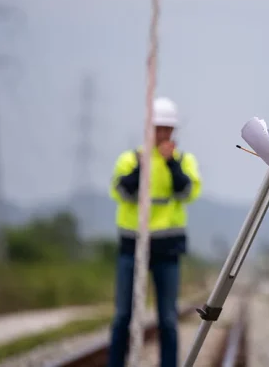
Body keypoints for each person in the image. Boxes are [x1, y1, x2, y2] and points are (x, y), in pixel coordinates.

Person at [107, 97, 202, 367]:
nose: (162, 134)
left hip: (167, 249)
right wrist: (142, 165)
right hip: (132, 246)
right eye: (157, 128)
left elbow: (187, 191)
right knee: (123, 315)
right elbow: (122, 191)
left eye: (167, 129)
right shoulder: (129, 159)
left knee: (168, 319)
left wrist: (171, 163)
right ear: (148, 128)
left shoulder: (184, 161)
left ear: (173, 131)